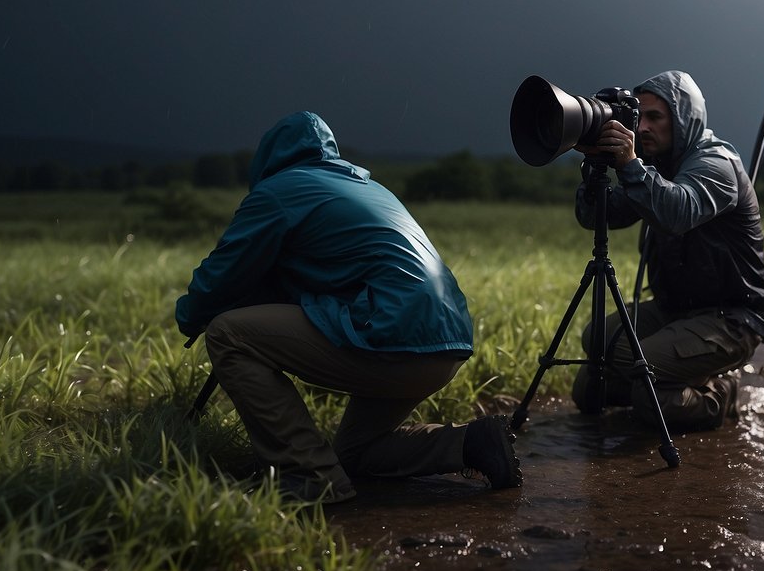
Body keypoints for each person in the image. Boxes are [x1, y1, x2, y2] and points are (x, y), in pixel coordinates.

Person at [176, 111, 521, 503]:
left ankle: (309, 477)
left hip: (393, 335)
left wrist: (188, 317)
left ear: (267, 161)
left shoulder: (280, 190)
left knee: (228, 333)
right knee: (357, 453)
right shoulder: (369, 188)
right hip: (445, 342)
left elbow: (219, 278)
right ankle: (472, 443)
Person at [571, 70, 764, 431]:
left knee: (647, 387)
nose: (644, 128)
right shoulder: (655, 166)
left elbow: (678, 211)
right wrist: (595, 166)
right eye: (640, 117)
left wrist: (631, 166)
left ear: (683, 119)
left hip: (732, 317)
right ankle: (664, 379)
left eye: (656, 117)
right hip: (675, 310)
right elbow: (596, 216)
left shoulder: (716, 164)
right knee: (591, 380)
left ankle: (721, 392)